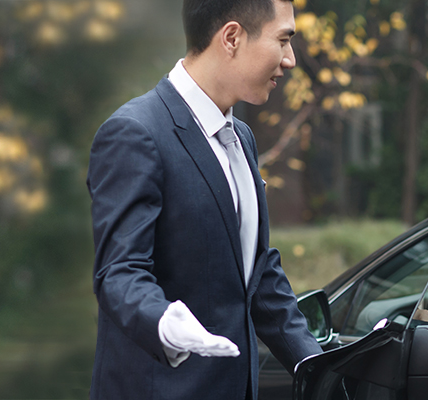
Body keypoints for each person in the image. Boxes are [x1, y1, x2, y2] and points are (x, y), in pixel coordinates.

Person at [85, 0, 320, 398]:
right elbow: (119, 273)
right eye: (283, 40)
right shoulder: (134, 133)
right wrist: (164, 322)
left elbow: (254, 273)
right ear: (231, 37)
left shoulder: (242, 138)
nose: (291, 60)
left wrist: (318, 366)